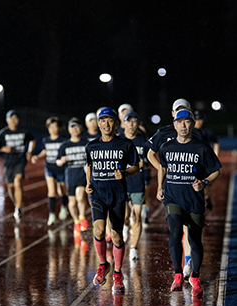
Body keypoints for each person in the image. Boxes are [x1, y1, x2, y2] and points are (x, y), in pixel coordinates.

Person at [156, 109, 222, 296]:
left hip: (194, 200)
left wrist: (205, 182)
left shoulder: (201, 147)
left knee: (195, 240)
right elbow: (162, 166)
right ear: (174, 124)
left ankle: (194, 276)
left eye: (187, 122)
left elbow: (217, 171)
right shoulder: (166, 147)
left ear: (192, 124)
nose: (183, 126)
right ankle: (178, 274)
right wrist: (160, 187)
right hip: (173, 198)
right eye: (180, 122)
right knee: (176, 232)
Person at [146, 98, 206, 281]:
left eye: (185, 112)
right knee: (176, 229)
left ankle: (188, 262)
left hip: (191, 191)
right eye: (177, 112)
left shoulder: (196, 135)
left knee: (191, 232)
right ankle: (179, 270)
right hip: (172, 188)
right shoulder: (163, 133)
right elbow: (150, 154)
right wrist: (162, 170)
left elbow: (203, 162)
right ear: (173, 115)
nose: (182, 120)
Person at [85, 107, 140, 293]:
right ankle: (103, 264)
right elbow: (88, 165)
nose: (106, 124)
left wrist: (124, 172)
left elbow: (136, 167)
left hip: (118, 195)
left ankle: (117, 272)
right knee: (99, 230)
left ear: (116, 123)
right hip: (98, 194)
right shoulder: (91, 146)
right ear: (98, 123)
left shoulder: (125, 145)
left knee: (117, 235)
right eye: (103, 120)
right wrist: (87, 183)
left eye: (110, 120)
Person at [0, 110, 36, 220]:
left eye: (15, 118)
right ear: (7, 120)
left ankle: (18, 207)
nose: (13, 121)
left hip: (20, 160)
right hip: (8, 162)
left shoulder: (23, 131)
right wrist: (3, 148)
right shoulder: (3, 132)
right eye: (11, 118)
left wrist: (30, 152)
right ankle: (17, 203)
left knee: (18, 181)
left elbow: (32, 140)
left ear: (18, 120)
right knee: (11, 186)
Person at [31, 117, 69, 225]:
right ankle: (51, 214)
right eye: (50, 127)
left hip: (61, 168)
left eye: (55, 127)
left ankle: (64, 206)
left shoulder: (63, 140)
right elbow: (45, 150)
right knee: (51, 191)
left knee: (62, 190)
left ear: (59, 128)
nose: (52, 129)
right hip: (49, 167)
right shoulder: (46, 140)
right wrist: (37, 157)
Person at [120, 111, 146, 261]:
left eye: (134, 121)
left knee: (136, 217)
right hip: (121, 184)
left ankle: (133, 248)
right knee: (124, 216)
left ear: (138, 123)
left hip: (137, 184)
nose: (131, 124)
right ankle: (124, 227)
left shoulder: (143, 142)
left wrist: (146, 163)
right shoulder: (118, 141)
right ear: (123, 123)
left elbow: (152, 161)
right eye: (128, 121)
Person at [56, 117, 89, 234]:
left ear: (80, 128)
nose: (74, 129)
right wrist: (62, 161)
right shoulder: (65, 145)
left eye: (77, 127)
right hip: (70, 176)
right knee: (72, 202)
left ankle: (82, 217)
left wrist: (88, 166)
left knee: (80, 197)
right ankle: (75, 221)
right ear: (69, 130)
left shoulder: (86, 143)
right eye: (72, 127)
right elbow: (57, 161)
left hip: (82, 174)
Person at [193, 110, 220, 211]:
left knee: (206, 180)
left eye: (200, 119)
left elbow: (216, 142)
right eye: (196, 120)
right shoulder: (189, 132)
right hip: (194, 160)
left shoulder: (208, 132)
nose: (198, 122)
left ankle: (207, 197)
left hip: (205, 161)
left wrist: (215, 156)